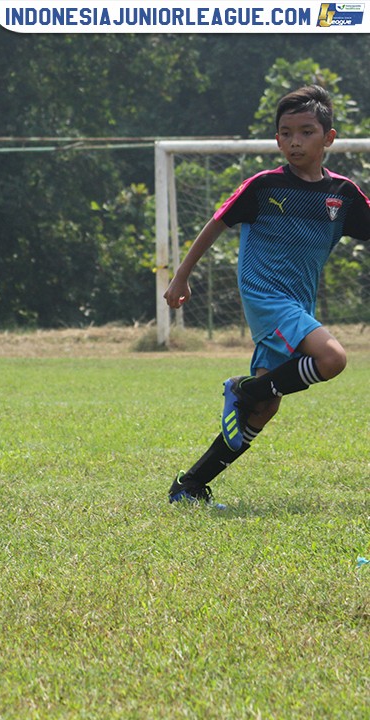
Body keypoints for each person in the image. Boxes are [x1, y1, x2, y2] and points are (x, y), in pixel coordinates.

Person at [165, 85, 370, 506]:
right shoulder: (264, 186)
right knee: (333, 358)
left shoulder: (343, 195)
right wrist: (181, 277)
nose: (295, 141)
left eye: (306, 132)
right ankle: (244, 388)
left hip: (298, 303)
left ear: (329, 138)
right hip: (267, 297)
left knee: (264, 408)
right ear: (277, 139)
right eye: (286, 133)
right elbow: (217, 223)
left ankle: (189, 485)